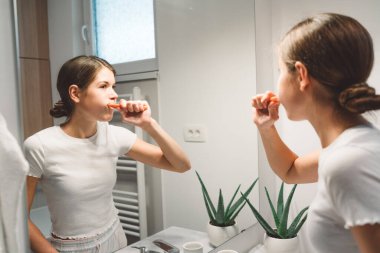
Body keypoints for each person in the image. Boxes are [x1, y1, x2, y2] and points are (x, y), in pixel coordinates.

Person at [24, 55, 191, 253]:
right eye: (103, 86)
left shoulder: (114, 135)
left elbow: (181, 166)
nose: (114, 95)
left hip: (115, 238)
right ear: (75, 93)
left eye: (114, 86)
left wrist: (149, 124)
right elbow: (16, 215)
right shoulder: (39, 145)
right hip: (69, 248)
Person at [251, 13, 380, 253]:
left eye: (280, 70)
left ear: (301, 75)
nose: (277, 80)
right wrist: (266, 127)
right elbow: (290, 171)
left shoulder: (350, 162)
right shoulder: (353, 146)